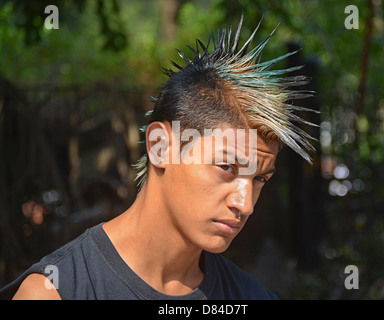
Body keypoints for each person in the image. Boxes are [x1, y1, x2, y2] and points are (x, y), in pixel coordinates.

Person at [0, 15, 316, 300]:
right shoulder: (58, 291)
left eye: (259, 178)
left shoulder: (251, 295)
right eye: (226, 166)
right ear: (160, 146)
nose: (245, 204)